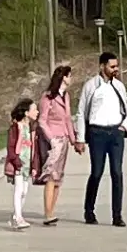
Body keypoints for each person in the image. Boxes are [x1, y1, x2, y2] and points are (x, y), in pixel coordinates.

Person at [78, 52, 127, 226]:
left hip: (115, 133)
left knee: (117, 173)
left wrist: (124, 125)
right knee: (96, 173)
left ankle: (117, 215)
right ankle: (89, 211)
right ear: (102, 67)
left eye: (117, 66)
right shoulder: (91, 86)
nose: (116, 69)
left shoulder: (119, 86)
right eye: (112, 66)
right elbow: (81, 113)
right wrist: (80, 137)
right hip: (97, 133)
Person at [33, 63, 77, 224]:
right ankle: (48, 213)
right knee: (51, 176)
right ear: (63, 77)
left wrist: (73, 140)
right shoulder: (48, 97)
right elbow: (42, 121)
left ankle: (52, 210)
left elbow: (67, 119)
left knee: (58, 177)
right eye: (69, 75)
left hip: (64, 140)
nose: (71, 79)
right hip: (53, 141)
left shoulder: (65, 96)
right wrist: (51, 139)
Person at [3, 93, 38, 229]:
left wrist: (34, 165)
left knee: (24, 191)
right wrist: (15, 161)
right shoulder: (16, 128)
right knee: (19, 191)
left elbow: (34, 149)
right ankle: (18, 217)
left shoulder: (32, 129)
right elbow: (11, 147)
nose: (37, 112)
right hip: (18, 164)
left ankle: (16, 216)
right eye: (34, 109)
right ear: (26, 112)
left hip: (27, 165)